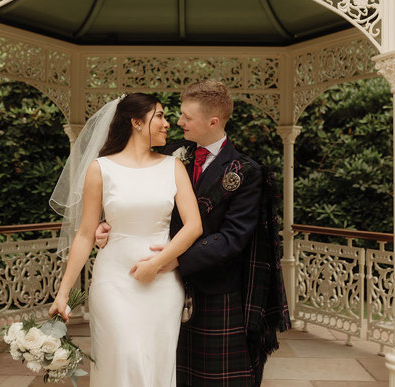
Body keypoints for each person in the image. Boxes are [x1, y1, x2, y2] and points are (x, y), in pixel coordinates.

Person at [96, 80, 288, 386]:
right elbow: (129, 190)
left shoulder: (246, 171)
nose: (177, 122)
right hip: (157, 288)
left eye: (186, 116)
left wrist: (174, 261)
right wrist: (105, 223)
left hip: (214, 290)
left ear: (212, 121)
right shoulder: (166, 154)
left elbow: (232, 238)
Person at [48, 93, 203, 387]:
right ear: (136, 122)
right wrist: (63, 293)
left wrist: (157, 264)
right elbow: (84, 233)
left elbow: (194, 226)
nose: (167, 124)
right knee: (122, 357)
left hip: (163, 284)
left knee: (157, 362)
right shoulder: (101, 169)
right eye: (159, 116)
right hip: (113, 282)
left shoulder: (173, 167)